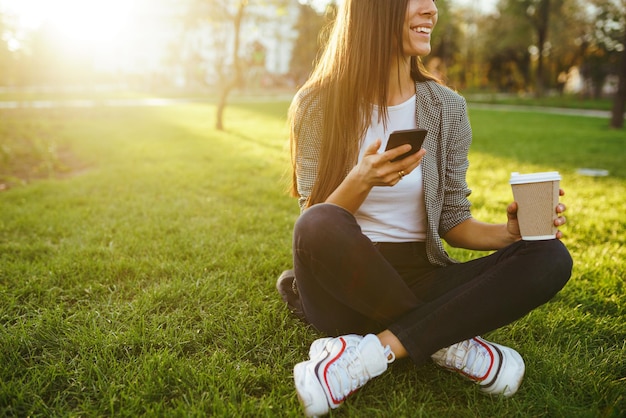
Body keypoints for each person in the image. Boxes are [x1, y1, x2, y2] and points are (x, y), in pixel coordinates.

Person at [277, 0, 573, 416]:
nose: (432, 10)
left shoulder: (447, 108)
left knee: (550, 256)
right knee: (321, 220)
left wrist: (509, 234)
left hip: (419, 273)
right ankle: (446, 339)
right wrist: (362, 179)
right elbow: (312, 220)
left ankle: (370, 353)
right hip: (340, 281)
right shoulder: (315, 105)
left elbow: (453, 220)